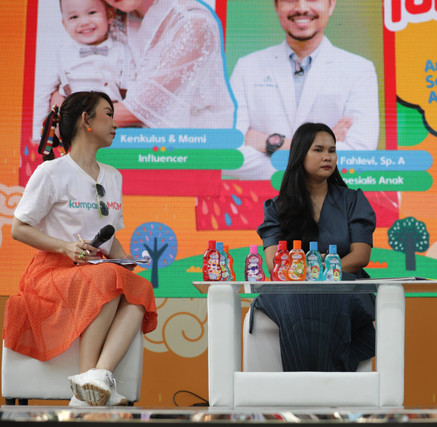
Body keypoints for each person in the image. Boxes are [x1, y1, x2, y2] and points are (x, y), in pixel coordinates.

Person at [4, 91, 158, 407]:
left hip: (94, 271)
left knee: (140, 289)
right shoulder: (51, 172)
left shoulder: (114, 177)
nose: (116, 123)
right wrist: (66, 247)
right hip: (53, 273)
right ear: (86, 120)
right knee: (107, 278)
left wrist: (127, 262)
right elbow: (20, 228)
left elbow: (110, 236)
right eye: (108, 114)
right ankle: (87, 386)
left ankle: (96, 379)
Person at [254, 122, 376, 371]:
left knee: (330, 296)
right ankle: (311, 390)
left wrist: (322, 272)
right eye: (318, 150)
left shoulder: (353, 200)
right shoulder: (277, 207)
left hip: (343, 286)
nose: (327, 157)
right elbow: (272, 263)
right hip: (291, 290)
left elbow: (361, 256)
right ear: (300, 154)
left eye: (332, 150)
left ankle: (318, 390)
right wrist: (308, 276)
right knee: (299, 297)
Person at [225, 0, 379, 180]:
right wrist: (321, 150)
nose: (301, 8)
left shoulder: (359, 70)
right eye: (290, 0)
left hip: (330, 204)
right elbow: (228, 157)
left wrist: (273, 143)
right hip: (262, 203)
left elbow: (358, 157)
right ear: (276, 6)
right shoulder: (247, 67)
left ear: (331, 5)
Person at [103, 0, 234, 128]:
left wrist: (84, 118)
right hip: (134, 140)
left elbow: (142, 109)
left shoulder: (193, 21)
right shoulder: (111, 18)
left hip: (194, 142)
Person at [32, 0, 129, 140]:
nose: (84, 22)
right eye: (74, 17)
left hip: (114, 122)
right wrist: (38, 134)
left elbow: (134, 88)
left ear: (109, 15)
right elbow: (42, 92)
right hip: (72, 126)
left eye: (91, 13)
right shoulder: (61, 54)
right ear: (64, 24)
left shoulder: (123, 51)